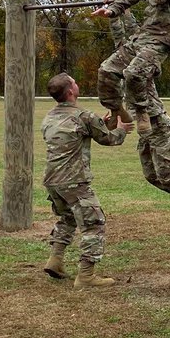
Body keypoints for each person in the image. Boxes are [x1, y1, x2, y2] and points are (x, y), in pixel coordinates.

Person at [41, 72, 130, 288]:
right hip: (74, 181)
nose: (77, 83)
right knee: (94, 224)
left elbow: (82, 133)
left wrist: (101, 122)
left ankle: (55, 260)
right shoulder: (83, 116)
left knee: (68, 218)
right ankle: (86, 276)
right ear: (71, 91)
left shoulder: (49, 117)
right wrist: (121, 130)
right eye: (74, 82)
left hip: (53, 181)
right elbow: (109, 139)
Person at [93, 0, 170, 136]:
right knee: (106, 70)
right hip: (141, 38)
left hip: (160, 40)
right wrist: (111, 10)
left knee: (133, 73)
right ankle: (117, 111)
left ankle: (142, 112)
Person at [107, 9, 170, 193]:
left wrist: (126, 11)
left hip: (158, 125)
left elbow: (136, 34)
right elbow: (119, 40)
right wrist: (113, 15)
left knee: (167, 176)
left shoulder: (142, 67)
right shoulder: (121, 62)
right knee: (151, 176)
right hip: (145, 131)